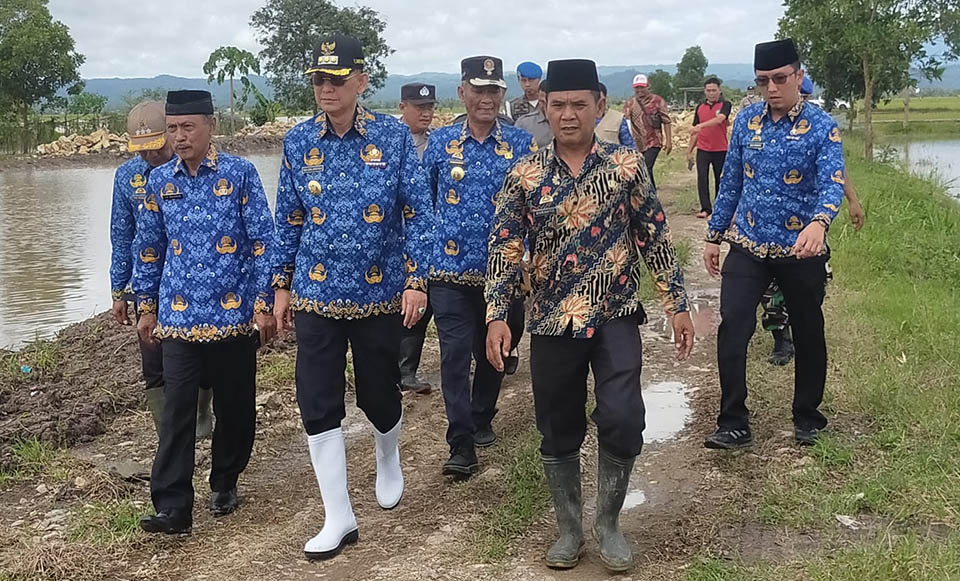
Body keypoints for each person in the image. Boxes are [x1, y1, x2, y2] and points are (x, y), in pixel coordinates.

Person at [485, 59, 694, 573]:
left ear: (600, 105)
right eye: (558, 105)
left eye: (579, 104)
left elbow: (653, 235)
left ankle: (609, 523)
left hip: (615, 314)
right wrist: (497, 315)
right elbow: (505, 248)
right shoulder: (524, 175)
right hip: (552, 319)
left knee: (623, 417)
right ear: (545, 108)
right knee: (557, 424)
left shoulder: (626, 167)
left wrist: (677, 302)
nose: (568, 114)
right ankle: (570, 528)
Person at [271, 35, 435, 560]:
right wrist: (280, 285)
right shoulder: (298, 142)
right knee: (315, 400)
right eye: (319, 79)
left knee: (378, 395)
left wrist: (416, 280)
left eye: (336, 80)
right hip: (316, 294)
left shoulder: (392, 136)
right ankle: (338, 516)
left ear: (361, 82)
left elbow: (418, 214)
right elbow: (289, 219)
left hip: (378, 293)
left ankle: (389, 452)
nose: (326, 89)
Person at [134, 90, 277, 534]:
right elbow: (149, 248)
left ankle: (225, 479)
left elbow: (262, 243)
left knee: (236, 408)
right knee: (177, 411)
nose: (179, 137)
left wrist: (263, 304)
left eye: (187, 127)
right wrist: (145, 306)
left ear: (210, 126)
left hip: (231, 318)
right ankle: (173, 506)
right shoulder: (159, 183)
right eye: (172, 129)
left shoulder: (239, 174)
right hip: (177, 321)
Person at [703, 39, 846, 450]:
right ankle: (733, 421)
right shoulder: (747, 122)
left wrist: (819, 223)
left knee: (808, 328)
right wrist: (714, 236)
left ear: (798, 77)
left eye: (780, 78)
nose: (771, 88)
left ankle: (808, 417)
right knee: (733, 326)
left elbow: (832, 183)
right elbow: (730, 184)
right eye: (763, 80)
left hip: (800, 250)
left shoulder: (822, 126)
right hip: (748, 245)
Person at [421, 55, 535, 478]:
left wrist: (529, 259)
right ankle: (461, 443)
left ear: (502, 94)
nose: (486, 98)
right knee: (453, 356)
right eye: (479, 89)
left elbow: (532, 207)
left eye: (494, 90)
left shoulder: (521, 145)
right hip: (448, 272)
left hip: (502, 275)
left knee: (499, 348)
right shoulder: (440, 144)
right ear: (463, 92)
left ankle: (482, 412)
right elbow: (422, 205)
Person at [110, 100, 214, 440]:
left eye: (155, 149)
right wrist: (120, 289)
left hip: (193, 278)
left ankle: (200, 423)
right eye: (140, 150)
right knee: (152, 357)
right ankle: (168, 433)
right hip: (149, 282)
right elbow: (122, 234)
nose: (148, 157)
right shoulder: (127, 177)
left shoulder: (200, 170)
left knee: (200, 355)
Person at [759, 74, 866, 367]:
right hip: (772, 227)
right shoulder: (767, 127)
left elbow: (837, 171)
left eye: (805, 98)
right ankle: (781, 339)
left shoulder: (820, 127)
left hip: (810, 224)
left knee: (813, 287)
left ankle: (803, 328)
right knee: (771, 288)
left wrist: (852, 200)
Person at [398, 82, 437, 393]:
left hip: (430, 237)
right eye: (419, 107)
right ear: (403, 107)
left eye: (430, 108)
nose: (426, 113)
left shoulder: (436, 145)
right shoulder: (387, 143)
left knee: (423, 305)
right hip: (395, 237)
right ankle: (391, 368)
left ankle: (407, 370)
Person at [687, 77, 732, 218]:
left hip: (720, 149)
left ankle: (720, 207)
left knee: (721, 179)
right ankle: (705, 208)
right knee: (702, 178)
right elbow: (695, 132)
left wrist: (701, 125)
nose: (711, 93)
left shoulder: (725, 104)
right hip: (703, 149)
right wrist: (689, 151)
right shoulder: (700, 107)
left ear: (719, 90)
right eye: (708, 90)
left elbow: (720, 119)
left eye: (714, 90)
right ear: (704, 91)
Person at [624, 74, 672, 191]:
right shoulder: (630, 103)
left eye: (642, 87)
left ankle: (651, 194)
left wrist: (668, 141)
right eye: (637, 87)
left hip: (654, 140)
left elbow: (666, 121)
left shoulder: (657, 101)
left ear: (648, 86)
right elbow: (626, 122)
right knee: (640, 169)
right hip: (637, 143)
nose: (639, 90)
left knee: (646, 166)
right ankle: (647, 193)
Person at [595, 83, 636, 148]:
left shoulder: (618, 118)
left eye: (599, 99)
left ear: (605, 100)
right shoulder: (581, 119)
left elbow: (629, 146)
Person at [515, 83, 553, 149]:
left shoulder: (569, 122)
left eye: (549, 102)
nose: (545, 106)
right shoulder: (524, 124)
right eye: (542, 102)